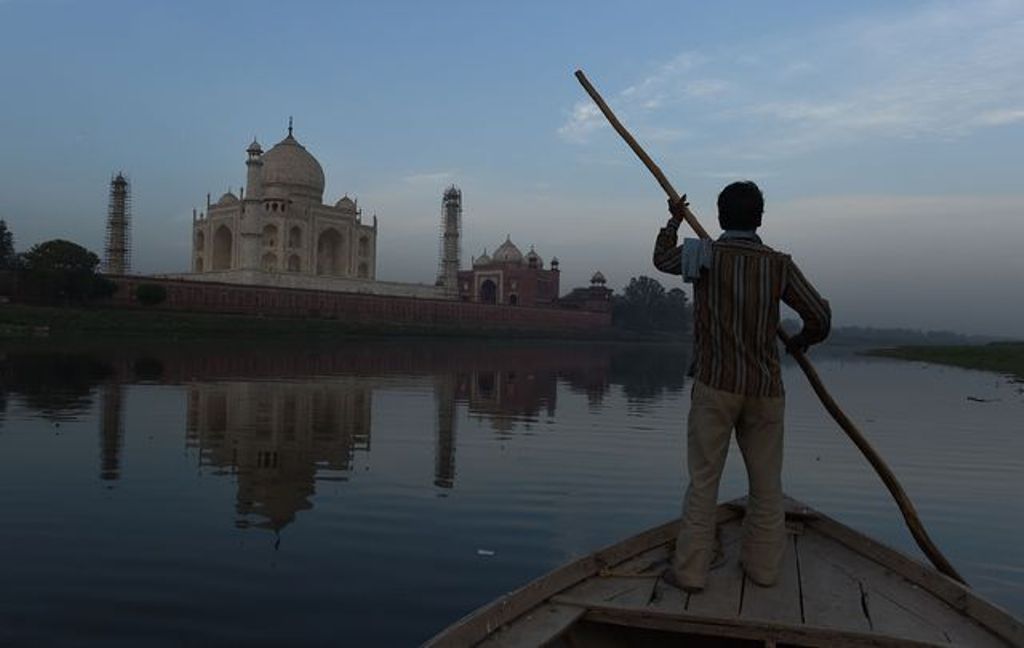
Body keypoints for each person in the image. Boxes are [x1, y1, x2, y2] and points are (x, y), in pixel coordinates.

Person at [653, 180, 831, 592]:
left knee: (703, 482)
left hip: (715, 386)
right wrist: (802, 340)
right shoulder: (778, 264)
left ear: (719, 217)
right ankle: (764, 570)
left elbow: (662, 258)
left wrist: (674, 220)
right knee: (767, 485)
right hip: (765, 389)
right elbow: (819, 316)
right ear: (760, 219)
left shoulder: (703, 253)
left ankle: (691, 572)